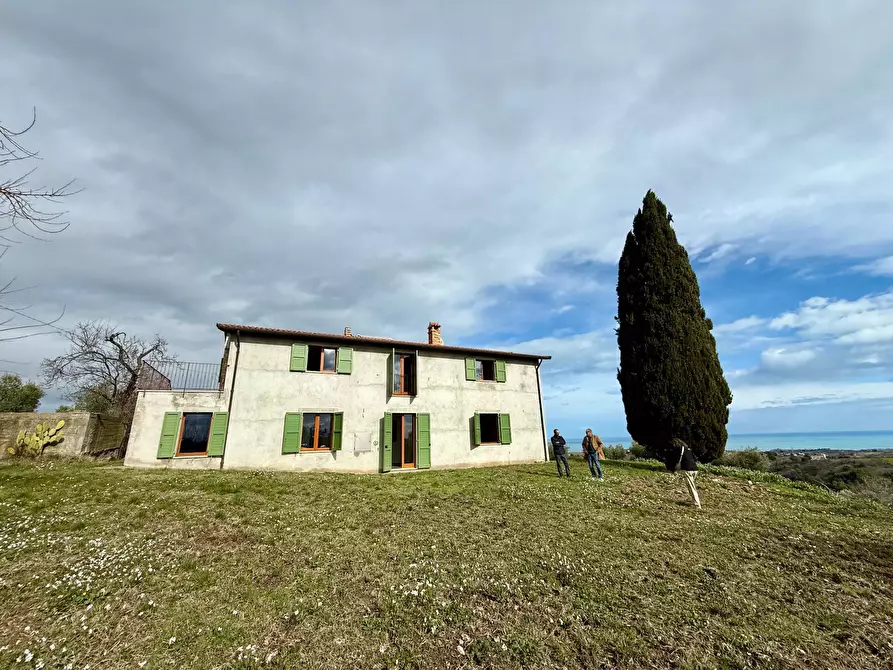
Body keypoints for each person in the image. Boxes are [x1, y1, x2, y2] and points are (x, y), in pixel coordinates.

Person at [668, 437, 701, 508]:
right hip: (695, 469)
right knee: (693, 486)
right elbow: (695, 459)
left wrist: (672, 469)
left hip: (687, 469)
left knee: (691, 487)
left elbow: (675, 460)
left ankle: (697, 504)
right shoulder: (688, 449)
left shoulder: (678, 450)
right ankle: (694, 500)